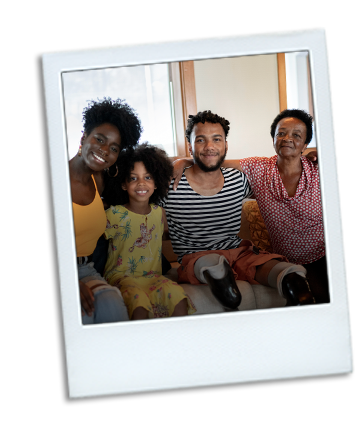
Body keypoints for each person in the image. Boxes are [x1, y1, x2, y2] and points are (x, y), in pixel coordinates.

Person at [161, 110, 316, 309]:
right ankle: (221, 281)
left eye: (217, 139)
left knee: (289, 272)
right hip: (196, 256)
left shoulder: (239, 179)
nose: (209, 147)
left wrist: (318, 154)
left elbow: (278, 188)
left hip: (238, 253)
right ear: (190, 146)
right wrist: (177, 162)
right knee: (210, 262)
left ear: (226, 145)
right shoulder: (171, 184)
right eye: (201, 140)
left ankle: (293, 285)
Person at [102, 143, 196, 320]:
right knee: (138, 304)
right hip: (122, 276)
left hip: (153, 276)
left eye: (147, 177)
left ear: (156, 182)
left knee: (178, 297)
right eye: (133, 178)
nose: (141, 183)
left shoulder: (159, 213)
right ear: (123, 184)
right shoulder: (114, 214)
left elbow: (169, 236)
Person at [69, 97, 142, 324]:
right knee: (82, 314)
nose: (104, 151)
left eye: (113, 148)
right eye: (99, 140)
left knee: (110, 301)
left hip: (85, 268)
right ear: (83, 138)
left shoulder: (98, 180)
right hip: (62, 270)